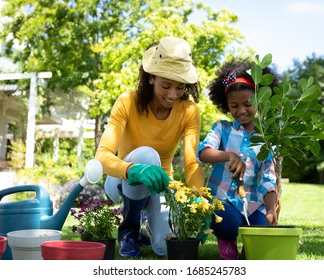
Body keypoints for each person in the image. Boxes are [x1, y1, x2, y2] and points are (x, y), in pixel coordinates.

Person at [95, 37, 205, 258]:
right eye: (166, 85)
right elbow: (102, 155)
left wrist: (199, 199)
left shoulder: (189, 111)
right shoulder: (127, 101)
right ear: (151, 78)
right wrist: (133, 169)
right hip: (122, 180)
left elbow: (191, 162)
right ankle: (129, 231)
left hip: (161, 184)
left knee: (165, 247)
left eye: (180, 87)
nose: (173, 95)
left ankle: (147, 227)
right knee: (147, 154)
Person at [196, 58, 279, 260]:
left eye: (247, 104)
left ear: (260, 101)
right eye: (234, 106)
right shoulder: (221, 128)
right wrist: (228, 155)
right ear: (226, 106)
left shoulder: (266, 138)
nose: (241, 110)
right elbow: (202, 152)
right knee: (228, 225)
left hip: (253, 203)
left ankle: (248, 248)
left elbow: (268, 180)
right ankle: (226, 239)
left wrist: (270, 209)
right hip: (223, 200)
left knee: (263, 230)